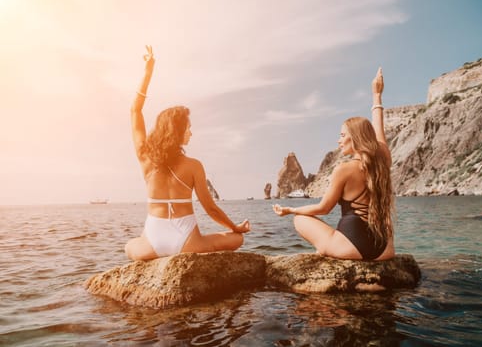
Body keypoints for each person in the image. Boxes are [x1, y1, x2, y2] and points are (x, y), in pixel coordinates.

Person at [125, 45, 251, 261]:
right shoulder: (193, 165)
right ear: (178, 132)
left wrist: (148, 72)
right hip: (187, 243)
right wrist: (235, 227)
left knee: (129, 246)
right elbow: (210, 209)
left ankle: (150, 246)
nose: (191, 132)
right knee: (237, 240)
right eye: (188, 128)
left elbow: (135, 110)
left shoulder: (145, 157)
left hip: (152, 244)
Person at [273, 67, 395, 261]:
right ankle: (330, 246)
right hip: (384, 250)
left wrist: (290, 210)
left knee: (300, 220)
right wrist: (376, 95)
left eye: (342, 135)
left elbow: (323, 208)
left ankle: (328, 248)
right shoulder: (383, 160)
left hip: (352, 248)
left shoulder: (344, 169)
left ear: (354, 138)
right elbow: (379, 128)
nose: (339, 141)